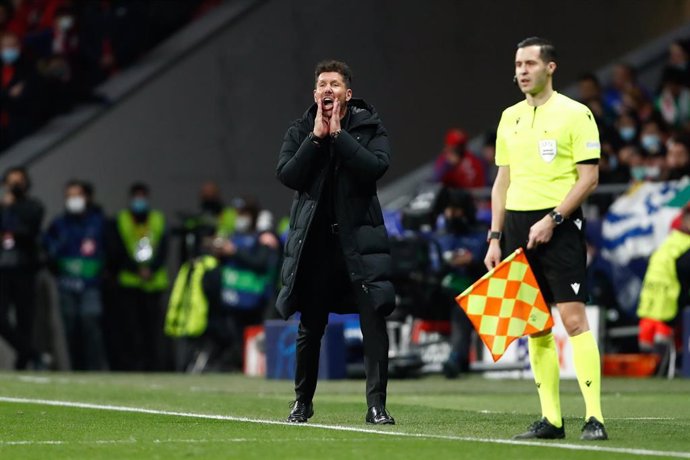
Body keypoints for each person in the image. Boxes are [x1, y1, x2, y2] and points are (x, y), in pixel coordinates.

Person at [485, 37, 607, 440]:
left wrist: (553, 218)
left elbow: (589, 178)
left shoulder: (576, 114)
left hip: (561, 226)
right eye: (518, 64)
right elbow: (502, 181)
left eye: (530, 64)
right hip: (517, 229)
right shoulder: (509, 117)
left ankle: (594, 418)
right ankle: (551, 420)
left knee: (573, 320)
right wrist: (495, 237)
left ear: (550, 68)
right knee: (535, 325)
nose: (521, 71)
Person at [276, 59, 395, 425]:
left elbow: (376, 168)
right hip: (316, 247)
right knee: (310, 326)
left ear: (348, 93)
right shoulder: (300, 130)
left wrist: (340, 135)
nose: (328, 89)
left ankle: (377, 406)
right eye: (322, 84)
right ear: (315, 93)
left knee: (373, 320)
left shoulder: (370, 127)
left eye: (335, 84)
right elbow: (288, 174)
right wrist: (316, 138)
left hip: (358, 242)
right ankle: (302, 402)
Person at [43, 179, 107, 370]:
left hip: (91, 284)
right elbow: (48, 250)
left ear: (86, 197)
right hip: (66, 283)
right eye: (69, 196)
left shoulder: (98, 222)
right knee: (70, 328)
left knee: (90, 324)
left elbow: (108, 250)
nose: (73, 200)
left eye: (77, 195)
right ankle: (77, 368)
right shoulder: (59, 224)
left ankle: (95, 369)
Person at [106, 182, 169, 371]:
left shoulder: (158, 219)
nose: (139, 201)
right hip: (129, 282)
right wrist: (136, 269)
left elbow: (163, 249)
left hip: (153, 283)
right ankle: (133, 365)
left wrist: (151, 269)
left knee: (153, 329)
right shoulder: (122, 219)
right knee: (131, 328)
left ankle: (153, 365)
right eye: (136, 197)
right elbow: (117, 249)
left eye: (143, 197)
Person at [432, 188, 487, 378]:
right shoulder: (440, 235)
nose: (451, 215)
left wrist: (468, 261)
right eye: (448, 210)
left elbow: (479, 261)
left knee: (463, 307)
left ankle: (456, 357)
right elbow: (436, 265)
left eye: (455, 210)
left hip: (472, 292)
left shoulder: (480, 233)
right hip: (437, 294)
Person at [637, 204, 690, 376]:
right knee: (663, 343)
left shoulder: (670, 242)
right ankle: (669, 369)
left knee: (653, 344)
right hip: (669, 304)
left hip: (654, 304)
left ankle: (663, 369)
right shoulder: (681, 245)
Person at [0, 166, 44, 369]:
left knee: (25, 318)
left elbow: (29, 230)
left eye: (19, 181)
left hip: (24, 269)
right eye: (11, 181)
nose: (15, 185)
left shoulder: (33, 206)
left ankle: (23, 363)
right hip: (2, 270)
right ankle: (33, 353)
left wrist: (12, 208)